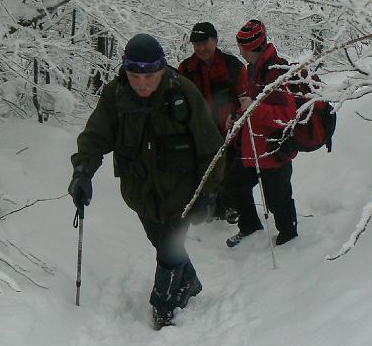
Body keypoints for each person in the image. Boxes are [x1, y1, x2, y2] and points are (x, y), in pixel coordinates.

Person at [68, 33, 225, 330]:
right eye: (134, 75)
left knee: (169, 248)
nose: (141, 83)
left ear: (162, 69)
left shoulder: (182, 92)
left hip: (182, 191)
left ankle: (163, 306)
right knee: (161, 242)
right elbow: (96, 135)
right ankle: (189, 282)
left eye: (150, 76)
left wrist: (209, 193)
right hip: (139, 192)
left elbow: (211, 147)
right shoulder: (116, 95)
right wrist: (82, 172)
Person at [223, 19, 299, 248]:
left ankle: (289, 238)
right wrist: (236, 116)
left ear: (253, 47)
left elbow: (287, 115)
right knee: (234, 184)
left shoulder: (277, 72)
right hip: (251, 147)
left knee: (278, 200)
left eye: (242, 49)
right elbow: (247, 100)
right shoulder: (251, 70)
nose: (240, 53)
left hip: (274, 150)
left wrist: (252, 109)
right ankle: (250, 226)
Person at [177, 22, 247, 224]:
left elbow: (245, 97)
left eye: (204, 43)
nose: (200, 49)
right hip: (199, 131)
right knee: (204, 168)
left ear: (215, 41)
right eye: (196, 44)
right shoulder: (186, 69)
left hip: (229, 129)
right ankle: (210, 207)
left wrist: (236, 116)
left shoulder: (232, 66)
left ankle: (231, 207)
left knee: (230, 169)